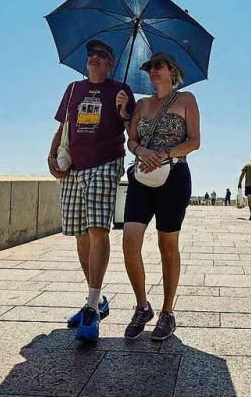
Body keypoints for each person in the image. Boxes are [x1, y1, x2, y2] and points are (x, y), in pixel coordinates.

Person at [47, 39, 135, 342]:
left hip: (106, 163)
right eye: (91, 55)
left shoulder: (121, 90)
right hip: (73, 167)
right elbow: (63, 128)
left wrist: (124, 111)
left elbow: (133, 132)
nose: (94, 58)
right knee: (80, 235)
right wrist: (51, 155)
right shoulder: (73, 89)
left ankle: (92, 310)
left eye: (101, 55)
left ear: (111, 62)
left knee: (98, 230)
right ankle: (95, 300)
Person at [122, 52, 200, 341]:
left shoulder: (187, 100)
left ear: (172, 70)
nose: (153, 70)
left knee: (167, 244)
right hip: (141, 177)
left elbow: (194, 141)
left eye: (158, 66)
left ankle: (167, 313)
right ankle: (143, 306)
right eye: (150, 67)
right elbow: (131, 140)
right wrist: (142, 151)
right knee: (130, 242)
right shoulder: (141, 105)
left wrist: (164, 154)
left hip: (175, 176)